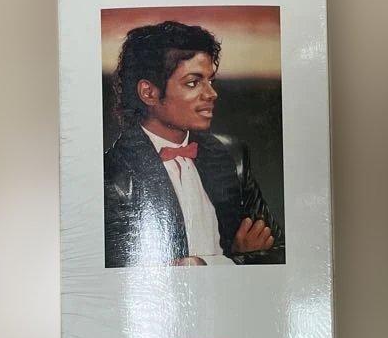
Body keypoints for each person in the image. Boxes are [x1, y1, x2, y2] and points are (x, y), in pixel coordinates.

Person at [103, 20, 285, 267]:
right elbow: (128, 276)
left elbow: (278, 253)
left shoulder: (231, 156)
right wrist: (236, 260)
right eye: (193, 82)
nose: (211, 94)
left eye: (211, 81)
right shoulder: (112, 177)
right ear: (149, 93)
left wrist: (205, 264)